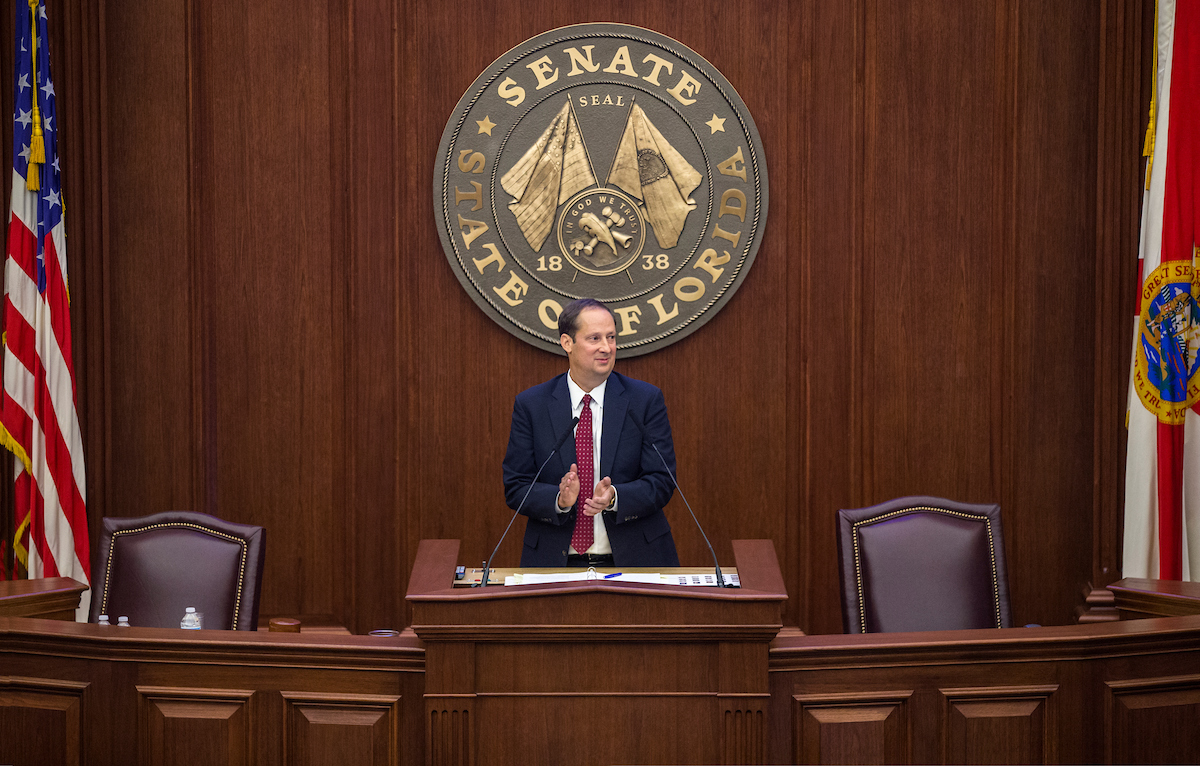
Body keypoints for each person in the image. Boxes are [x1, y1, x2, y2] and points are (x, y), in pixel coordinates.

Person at [502, 298, 680, 568]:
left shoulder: (644, 400)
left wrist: (616, 497)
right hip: (555, 562)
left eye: (611, 337)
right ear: (567, 343)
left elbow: (662, 480)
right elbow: (516, 486)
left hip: (636, 560)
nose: (606, 348)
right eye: (594, 338)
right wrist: (559, 500)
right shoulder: (532, 405)